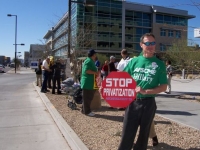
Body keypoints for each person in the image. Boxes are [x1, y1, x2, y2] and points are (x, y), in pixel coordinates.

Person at [118, 33, 168, 150]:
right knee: (127, 133)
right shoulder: (134, 62)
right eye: (148, 43)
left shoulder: (160, 64)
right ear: (141, 45)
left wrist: (146, 91)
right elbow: (123, 78)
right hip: (133, 102)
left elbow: (164, 87)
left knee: (143, 135)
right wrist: (106, 85)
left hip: (149, 103)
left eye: (153, 43)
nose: (151, 46)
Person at [81, 49, 98, 117]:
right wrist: (95, 72)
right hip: (87, 83)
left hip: (89, 83)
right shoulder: (88, 61)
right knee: (87, 98)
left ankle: (84, 110)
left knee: (88, 98)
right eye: (95, 54)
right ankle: (87, 111)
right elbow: (87, 71)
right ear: (93, 55)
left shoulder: (90, 61)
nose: (95, 55)